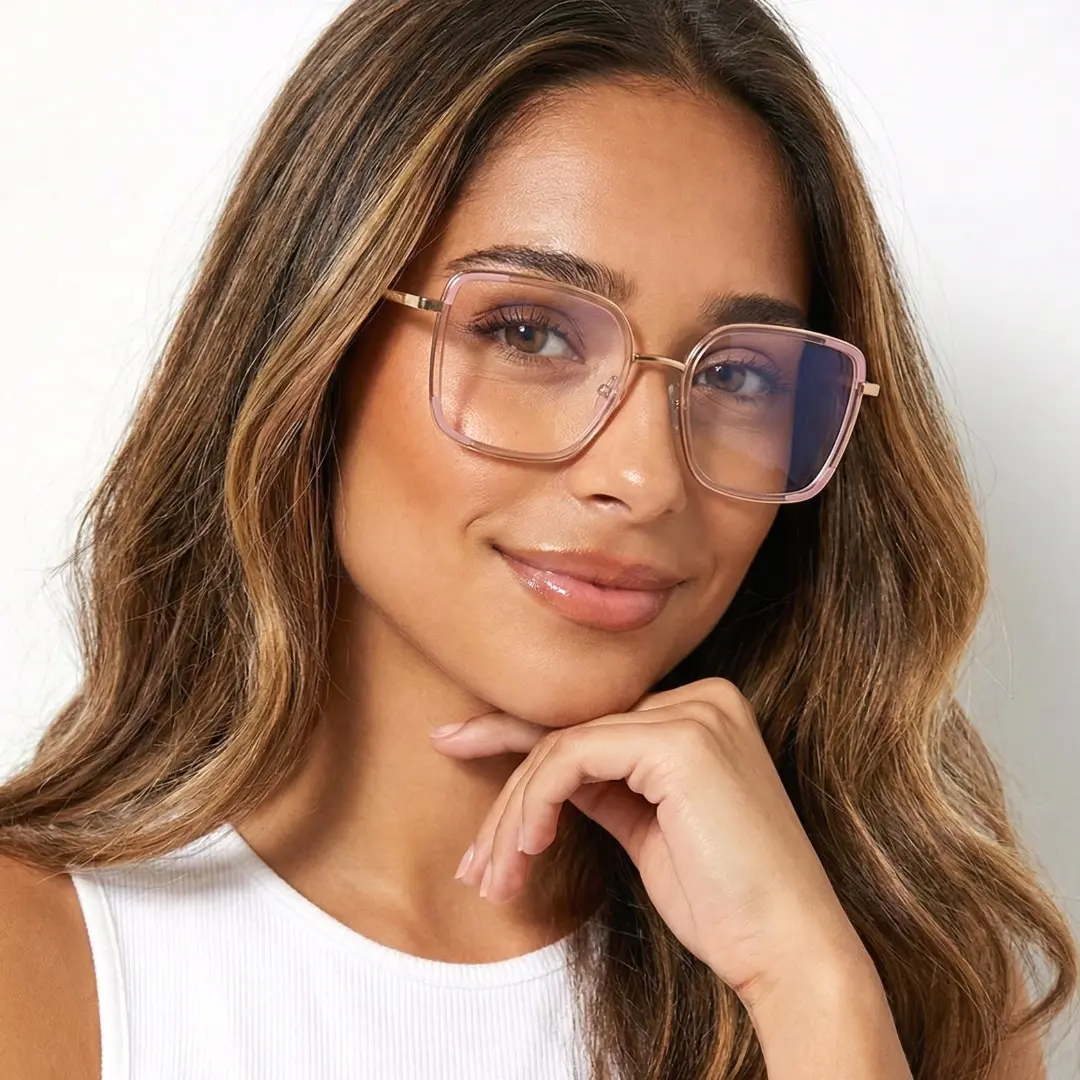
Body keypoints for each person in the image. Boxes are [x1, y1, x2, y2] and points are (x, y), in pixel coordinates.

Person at [0, 1, 1075, 1078]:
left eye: (742, 375)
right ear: (313, 341)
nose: (645, 480)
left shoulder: (914, 983)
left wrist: (809, 991)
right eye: (529, 333)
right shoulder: (37, 956)